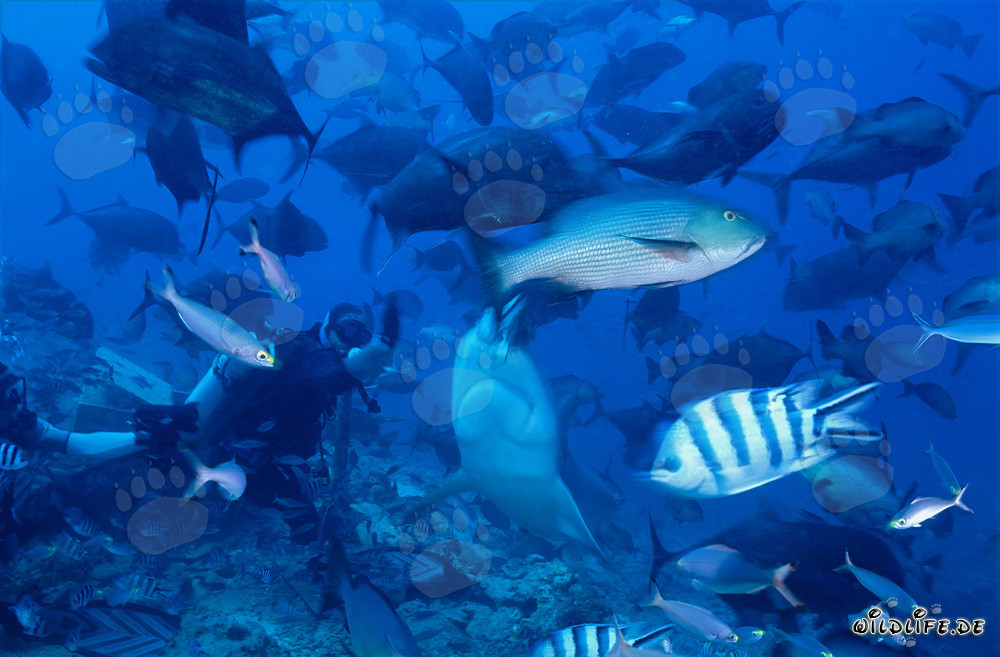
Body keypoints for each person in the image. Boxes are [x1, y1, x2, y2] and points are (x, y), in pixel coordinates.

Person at [2, 302, 398, 543]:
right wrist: (369, 358)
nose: (352, 339)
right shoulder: (306, 353)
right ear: (326, 325)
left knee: (142, 450)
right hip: (225, 443)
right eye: (347, 330)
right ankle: (40, 464)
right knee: (137, 456)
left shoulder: (311, 352)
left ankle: (44, 441)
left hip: (238, 443)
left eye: (360, 333)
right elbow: (323, 377)